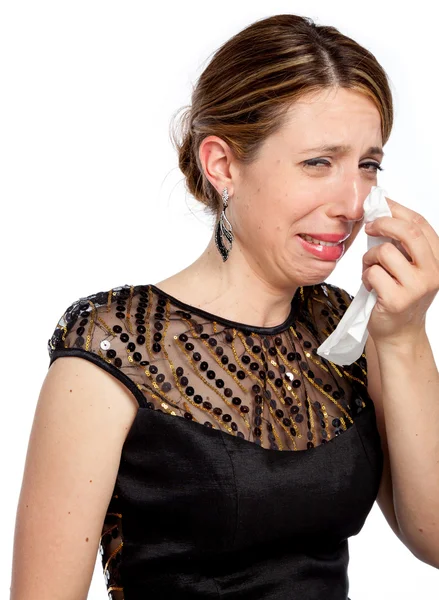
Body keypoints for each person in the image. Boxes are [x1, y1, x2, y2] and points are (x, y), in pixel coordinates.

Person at [10, 13, 439, 600]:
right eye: (319, 162)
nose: (354, 202)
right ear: (222, 165)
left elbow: (434, 537)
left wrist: (404, 334)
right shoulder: (111, 347)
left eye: (367, 165)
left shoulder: (347, 328)